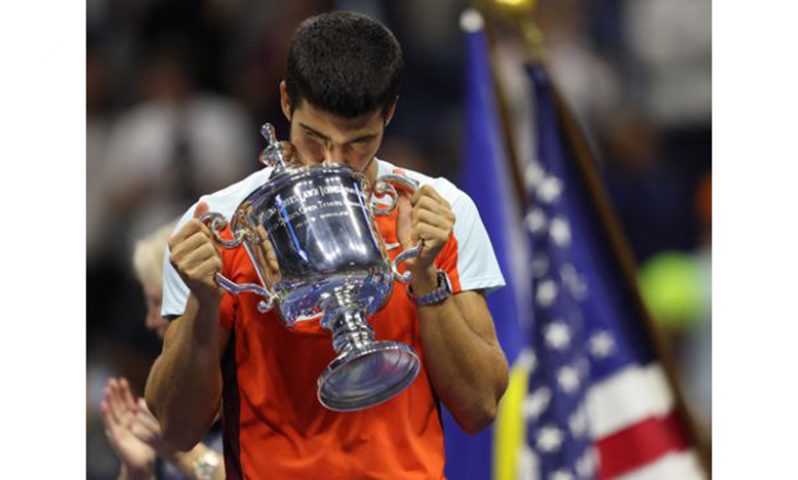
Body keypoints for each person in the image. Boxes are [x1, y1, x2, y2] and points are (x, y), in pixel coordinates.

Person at [145, 11, 509, 479]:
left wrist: (425, 278)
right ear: (285, 101)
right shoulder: (219, 225)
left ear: (390, 113)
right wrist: (202, 303)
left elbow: (479, 407)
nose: (334, 161)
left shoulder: (437, 211)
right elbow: (176, 430)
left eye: (359, 142)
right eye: (315, 138)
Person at [101, 223, 225, 480]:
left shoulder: (249, 381)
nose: (149, 321)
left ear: (189, 298)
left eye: (157, 302)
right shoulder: (165, 401)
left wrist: (183, 455)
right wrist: (138, 469)